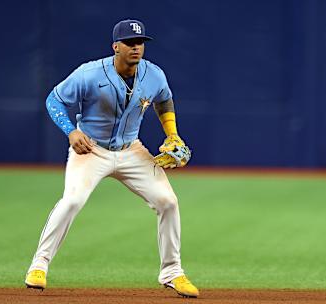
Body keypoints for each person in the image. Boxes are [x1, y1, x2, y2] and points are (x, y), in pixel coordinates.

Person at [24, 19, 199, 298]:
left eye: (140, 42)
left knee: (168, 202)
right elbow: (53, 100)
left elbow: (163, 100)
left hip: (132, 151)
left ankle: (172, 272)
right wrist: (70, 132)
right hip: (91, 149)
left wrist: (173, 134)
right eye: (130, 42)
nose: (136, 47)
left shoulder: (153, 75)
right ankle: (39, 265)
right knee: (72, 200)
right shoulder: (89, 74)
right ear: (115, 46)